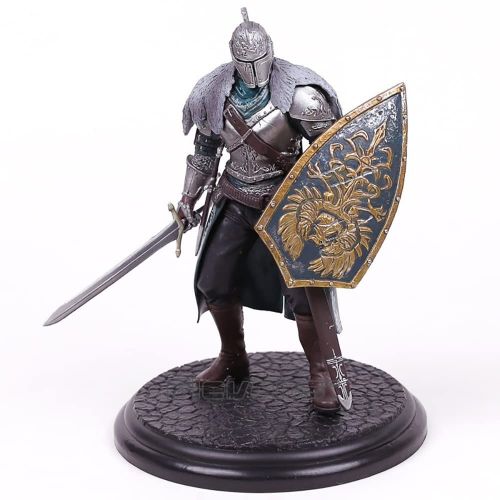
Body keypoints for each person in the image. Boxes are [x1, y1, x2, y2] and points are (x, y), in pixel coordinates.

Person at [178, 9, 343, 413]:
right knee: (214, 280)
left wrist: (326, 205)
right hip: (234, 198)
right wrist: (187, 198)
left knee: (305, 293)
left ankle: (321, 371)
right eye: (245, 62)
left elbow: (332, 153)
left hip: (287, 207)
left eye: (258, 60)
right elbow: (205, 152)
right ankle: (233, 358)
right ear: (233, 57)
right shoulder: (213, 93)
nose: (253, 69)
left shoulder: (300, 94)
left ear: (270, 51)